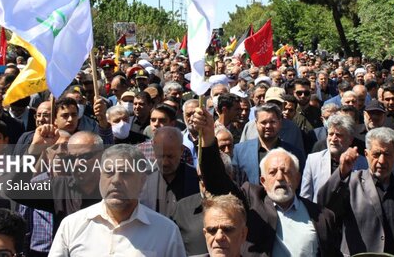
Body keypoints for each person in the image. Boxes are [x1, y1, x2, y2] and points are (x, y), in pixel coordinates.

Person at [193, 106, 341, 256]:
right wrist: (208, 137)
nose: (280, 177)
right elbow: (217, 182)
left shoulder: (322, 216)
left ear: (298, 178)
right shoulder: (252, 203)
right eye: (273, 172)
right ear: (263, 180)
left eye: (286, 171)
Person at [50, 144, 185, 256]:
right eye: (109, 172)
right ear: (100, 177)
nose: (116, 181)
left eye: (125, 173)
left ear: (142, 181)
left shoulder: (166, 231)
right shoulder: (71, 225)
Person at [318, 127, 394, 256]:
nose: (381, 161)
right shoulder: (350, 183)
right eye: (376, 154)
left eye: (387, 154)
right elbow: (324, 205)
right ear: (366, 155)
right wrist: (341, 172)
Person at [232, 104, 305, 185]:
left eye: (272, 122)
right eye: (263, 122)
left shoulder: (294, 153)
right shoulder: (239, 152)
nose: (268, 126)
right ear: (256, 123)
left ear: (280, 123)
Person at [301, 114, 366, 202]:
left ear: (350, 139)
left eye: (339, 135)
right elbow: (305, 197)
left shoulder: (363, 163)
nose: (333, 139)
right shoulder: (313, 160)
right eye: (331, 134)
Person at [140, 126, 200, 217]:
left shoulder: (195, 178)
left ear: (181, 150)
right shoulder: (142, 178)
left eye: (170, 157)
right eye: (161, 156)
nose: (165, 163)